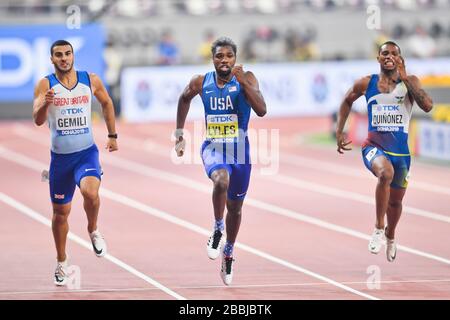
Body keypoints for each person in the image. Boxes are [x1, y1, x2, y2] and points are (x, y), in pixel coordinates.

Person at [175, 37, 266, 285]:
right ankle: (217, 228)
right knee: (220, 181)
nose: (224, 60)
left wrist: (243, 82)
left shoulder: (247, 78)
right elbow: (184, 98)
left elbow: (261, 109)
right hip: (213, 147)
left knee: (235, 209)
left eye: (228, 56)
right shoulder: (201, 82)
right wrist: (179, 134)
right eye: (219, 56)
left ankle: (229, 252)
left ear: (235, 59)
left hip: (240, 152)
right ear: (212, 59)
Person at [336, 41, 433, 262]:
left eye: (394, 53)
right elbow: (346, 101)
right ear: (378, 58)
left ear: (400, 58)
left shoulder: (410, 82)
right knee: (384, 174)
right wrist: (339, 130)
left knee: (396, 203)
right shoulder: (366, 83)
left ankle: (391, 234)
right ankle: (379, 227)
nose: (389, 56)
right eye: (385, 53)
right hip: (373, 147)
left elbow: (427, 106)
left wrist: (406, 77)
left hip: (402, 155)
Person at [32, 40, 119, 285]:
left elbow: (107, 103)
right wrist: (45, 103)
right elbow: (38, 120)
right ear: (52, 59)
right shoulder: (45, 84)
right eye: (58, 55)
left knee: (91, 193)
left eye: (67, 54)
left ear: (73, 56)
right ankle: (61, 261)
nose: (64, 58)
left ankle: (93, 229)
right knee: (61, 214)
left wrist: (112, 135)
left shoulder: (89, 80)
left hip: (86, 154)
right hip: (60, 160)